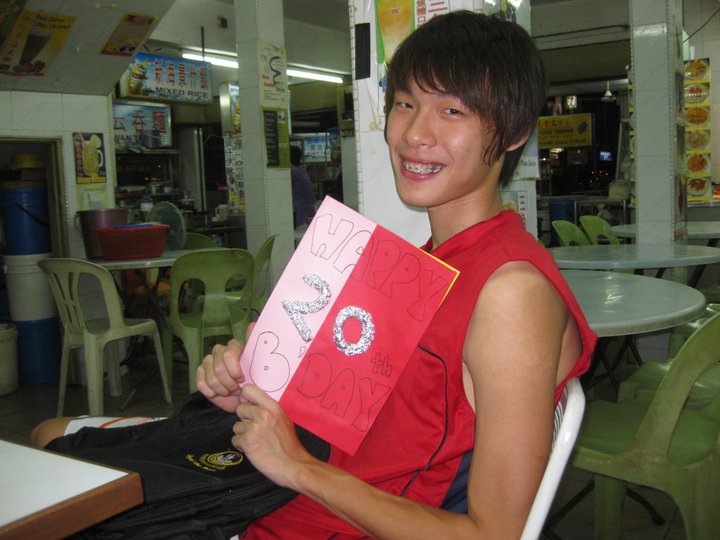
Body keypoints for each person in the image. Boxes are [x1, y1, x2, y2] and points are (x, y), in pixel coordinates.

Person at [32, 11, 596, 539]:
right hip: (289, 482)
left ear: (514, 131)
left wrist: (296, 466)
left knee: (53, 481)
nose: (414, 134)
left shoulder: (510, 292)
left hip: (308, 514)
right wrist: (253, 392)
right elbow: (368, 416)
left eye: (452, 111)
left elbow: (494, 533)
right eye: (405, 104)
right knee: (50, 435)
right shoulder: (426, 263)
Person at [290, 144, 317, 227]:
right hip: (309, 206)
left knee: (301, 230)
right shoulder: (301, 169)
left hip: (302, 208)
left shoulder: (293, 171)